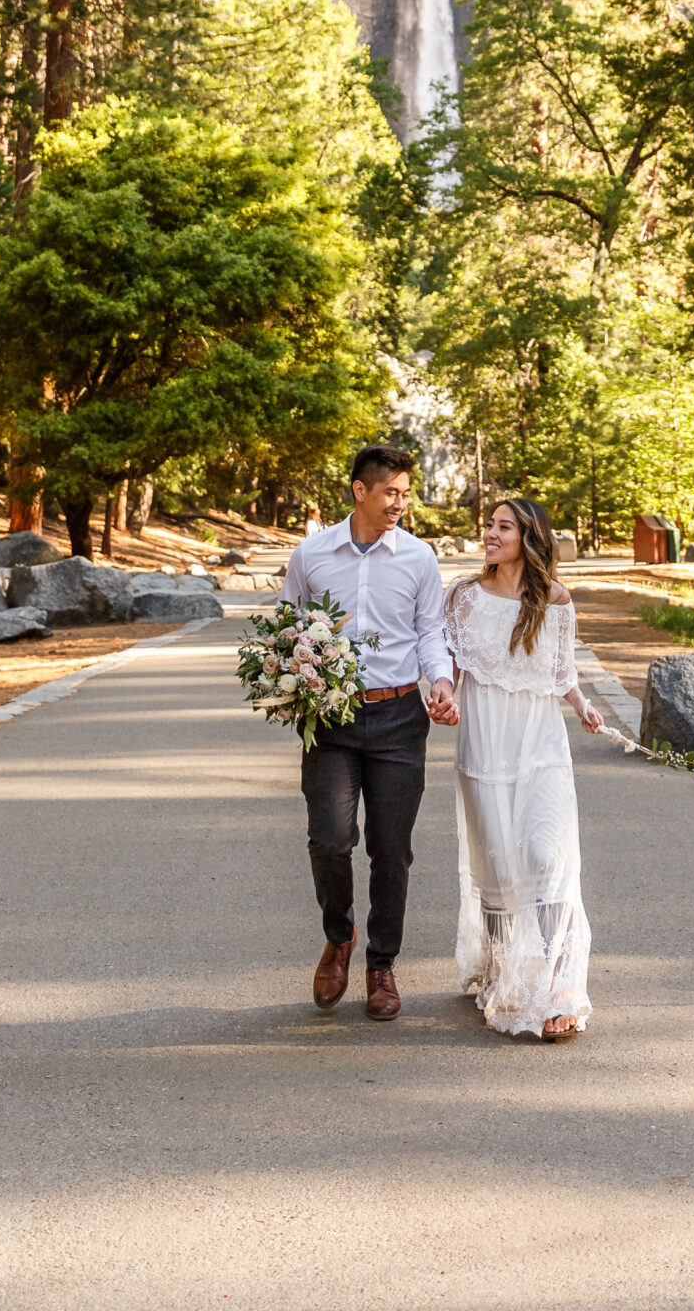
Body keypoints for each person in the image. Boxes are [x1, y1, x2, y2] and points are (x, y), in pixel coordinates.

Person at [280, 442, 458, 1021]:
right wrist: (289, 678)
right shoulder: (311, 554)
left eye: (407, 493)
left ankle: (381, 964)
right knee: (330, 839)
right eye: (391, 493)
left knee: (391, 849)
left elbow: (430, 630)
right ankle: (339, 936)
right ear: (360, 491)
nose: (401, 503)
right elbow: (288, 629)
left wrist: (441, 680)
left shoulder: (418, 558)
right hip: (330, 719)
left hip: (400, 717)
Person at [445, 495, 602, 1042]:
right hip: (484, 748)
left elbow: (562, 672)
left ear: (529, 538)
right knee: (498, 870)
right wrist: (443, 696)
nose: (490, 533)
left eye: (502, 526)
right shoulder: (464, 597)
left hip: (541, 747)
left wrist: (583, 705)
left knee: (546, 856)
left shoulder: (555, 599)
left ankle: (558, 990)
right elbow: (452, 667)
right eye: (489, 525)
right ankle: (501, 974)